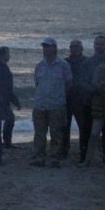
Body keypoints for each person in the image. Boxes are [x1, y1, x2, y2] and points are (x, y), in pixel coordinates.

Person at [30, 38, 72, 168]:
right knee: (39, 134)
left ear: (55, 48)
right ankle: (39, 157)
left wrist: (59, 96)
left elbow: (69, 84)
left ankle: (55, 158)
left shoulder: (63, 65)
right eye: (44, 47)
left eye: (48, 46)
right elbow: (37, 83)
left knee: (56, 133)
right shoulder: (39, 65)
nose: (45, 49)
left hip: (56, 105)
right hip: (40, 105)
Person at [63, 39, 90, 161]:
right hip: (67, 98)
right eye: (72, 46)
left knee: (83, 127)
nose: (74, 48)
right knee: (65, 126)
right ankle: (64, 150)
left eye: (76, 46)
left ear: (81, 48)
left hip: (81, 100)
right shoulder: (65, 62)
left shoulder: (87, 62)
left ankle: (83, 152)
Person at [0, 46, 21, 148]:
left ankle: (5, 142)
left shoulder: (0, 66)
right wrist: (15, 101)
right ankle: (6, 142)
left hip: (1, 99)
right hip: (1, 99)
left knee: (3, 120)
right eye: (8, 53)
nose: (9, 55)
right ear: (3, 55)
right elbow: (6, 87)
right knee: (9, 119)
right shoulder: (1, 67)